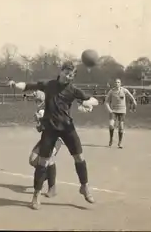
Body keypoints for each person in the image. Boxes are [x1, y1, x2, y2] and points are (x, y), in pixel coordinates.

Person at [8, 61, 99, 210]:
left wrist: (87, 103)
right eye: (67, 73)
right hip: (50, 129)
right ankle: (36, 195)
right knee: (42, 162)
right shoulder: (49, 85)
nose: (69, 76)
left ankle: (84, 186)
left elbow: (93, 100)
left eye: (72, 75)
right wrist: (15, 85)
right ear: (61, 71)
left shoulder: (73, 90)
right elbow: (28, 86)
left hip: (67, 128)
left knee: (79, 157)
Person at [28, 90, 63, 198]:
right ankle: (46, 175)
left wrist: (42, 119)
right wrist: (38, 122)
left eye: (38, 98)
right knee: (33, 160)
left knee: (49, 160)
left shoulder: (50, 108)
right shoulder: (39, 109)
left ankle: (52, 188)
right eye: (35, 99)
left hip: (57, 138)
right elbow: (40, 129)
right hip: (46, 138)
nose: (36, 101)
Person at [104, 78, 137, 149]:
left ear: (120, 83)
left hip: (122, 111)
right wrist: (109, 110)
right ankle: (111, 139)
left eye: (118, 82)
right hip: (114, 111)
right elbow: (106, 102)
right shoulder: (111, 91)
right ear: (114, 83)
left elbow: (130, 96)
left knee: (121, 127)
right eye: (116, 82)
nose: (117, 83)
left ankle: (120, 142)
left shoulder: (124, 90)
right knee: (111, 125)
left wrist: (134, 101)